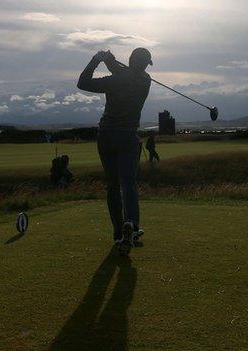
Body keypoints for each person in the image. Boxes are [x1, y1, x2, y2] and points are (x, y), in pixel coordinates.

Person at [77, 47, 152, 255]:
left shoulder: (115, 80)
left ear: (130, 60)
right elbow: (127, 72)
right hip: (128, 135)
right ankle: (132, 225)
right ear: (145, 64)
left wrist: (97, 60)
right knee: (128, 182)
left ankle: (119, 233)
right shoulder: (146, 80)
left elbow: (82, 82)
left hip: (106, 136)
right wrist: (111, 61)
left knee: (112, 185)